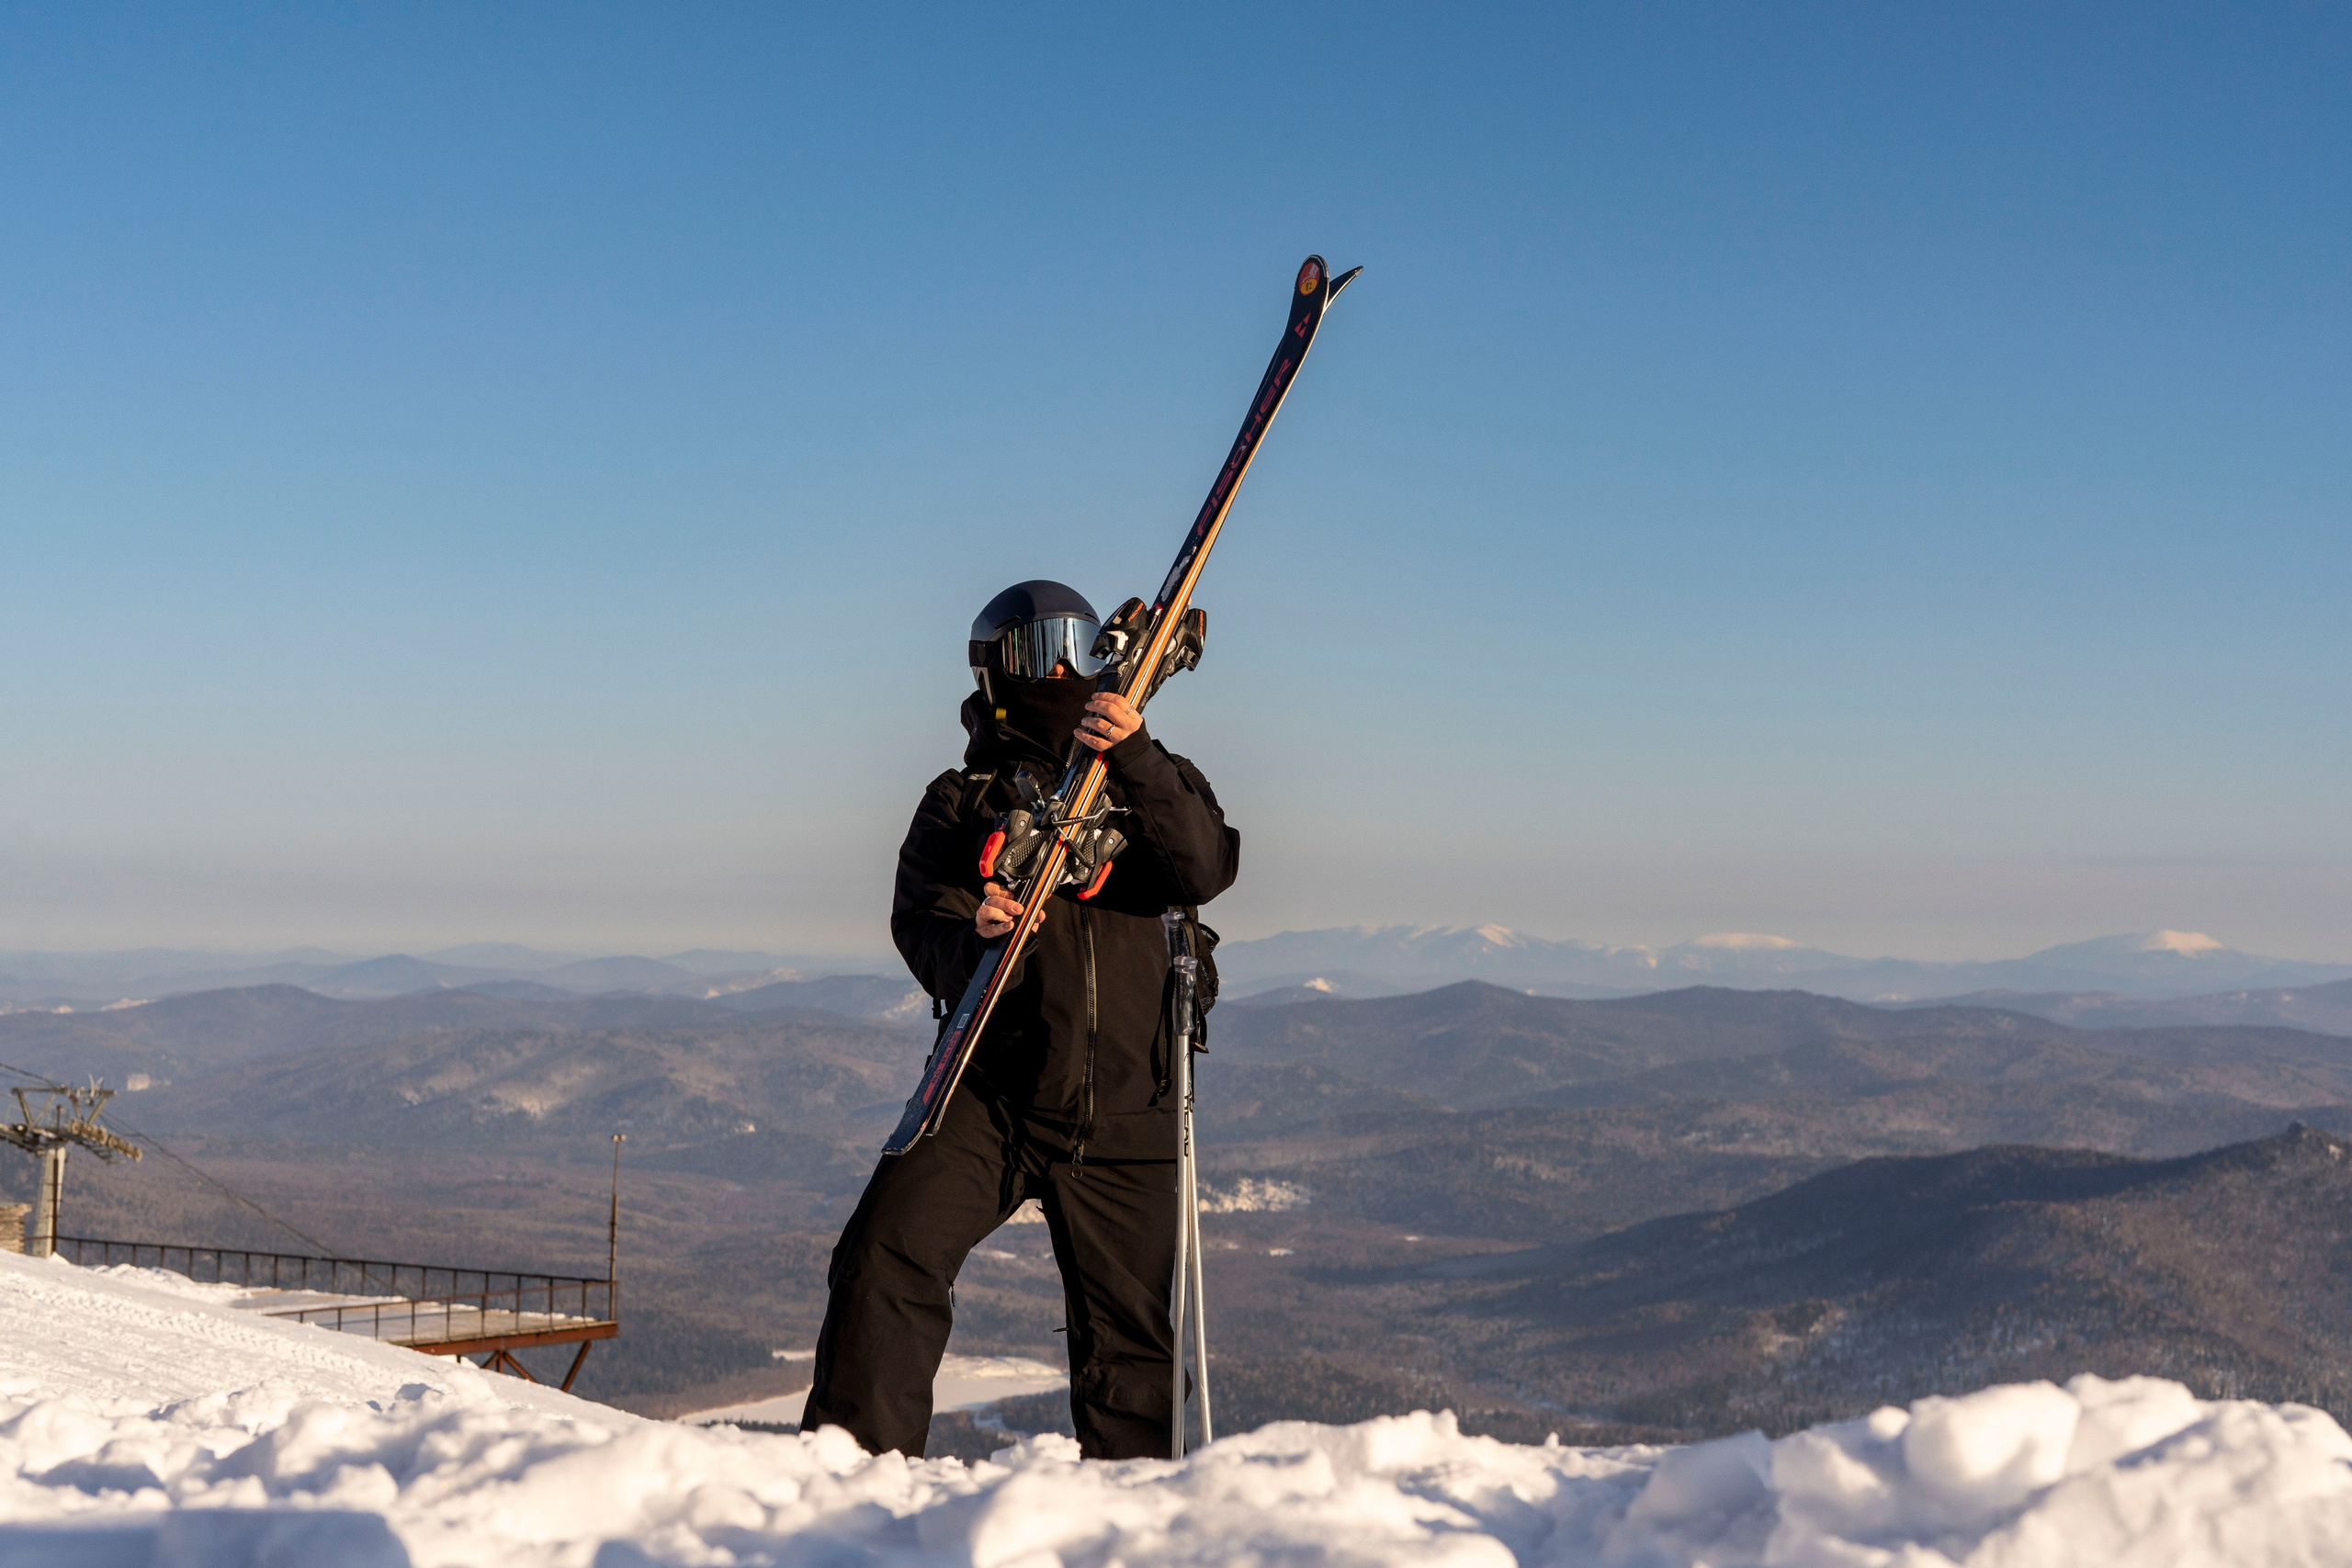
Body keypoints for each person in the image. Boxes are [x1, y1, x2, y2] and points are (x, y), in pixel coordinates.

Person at [800, 579, 1238, 1460]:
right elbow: (920, 921)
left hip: (1130, 1104)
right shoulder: (961, 801)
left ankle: (1136, 1522)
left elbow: (1204, 865)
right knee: (886, 1253)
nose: (1066, 671)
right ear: (999, 669)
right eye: (1043, 651)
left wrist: (1139, 754)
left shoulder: (1147, 781)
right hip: (986, 1089)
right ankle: (847, 1486)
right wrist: (976, 937)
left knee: (1132, 1347)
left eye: (1080, 647)